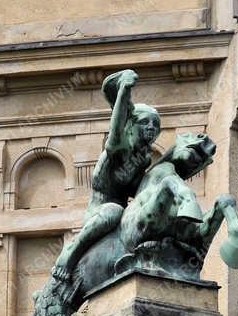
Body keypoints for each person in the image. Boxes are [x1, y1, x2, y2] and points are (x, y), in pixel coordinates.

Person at [51, 69, 160, 281]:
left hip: (123, 214)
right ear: (131, 124)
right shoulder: (118, 148)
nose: (151, 127)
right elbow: (116, 127)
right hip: (100, 211)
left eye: (156, 124)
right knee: (113, 210)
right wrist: (123, 91)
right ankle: (69, 255)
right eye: (145, 122)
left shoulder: (143, 160)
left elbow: (140, 192)